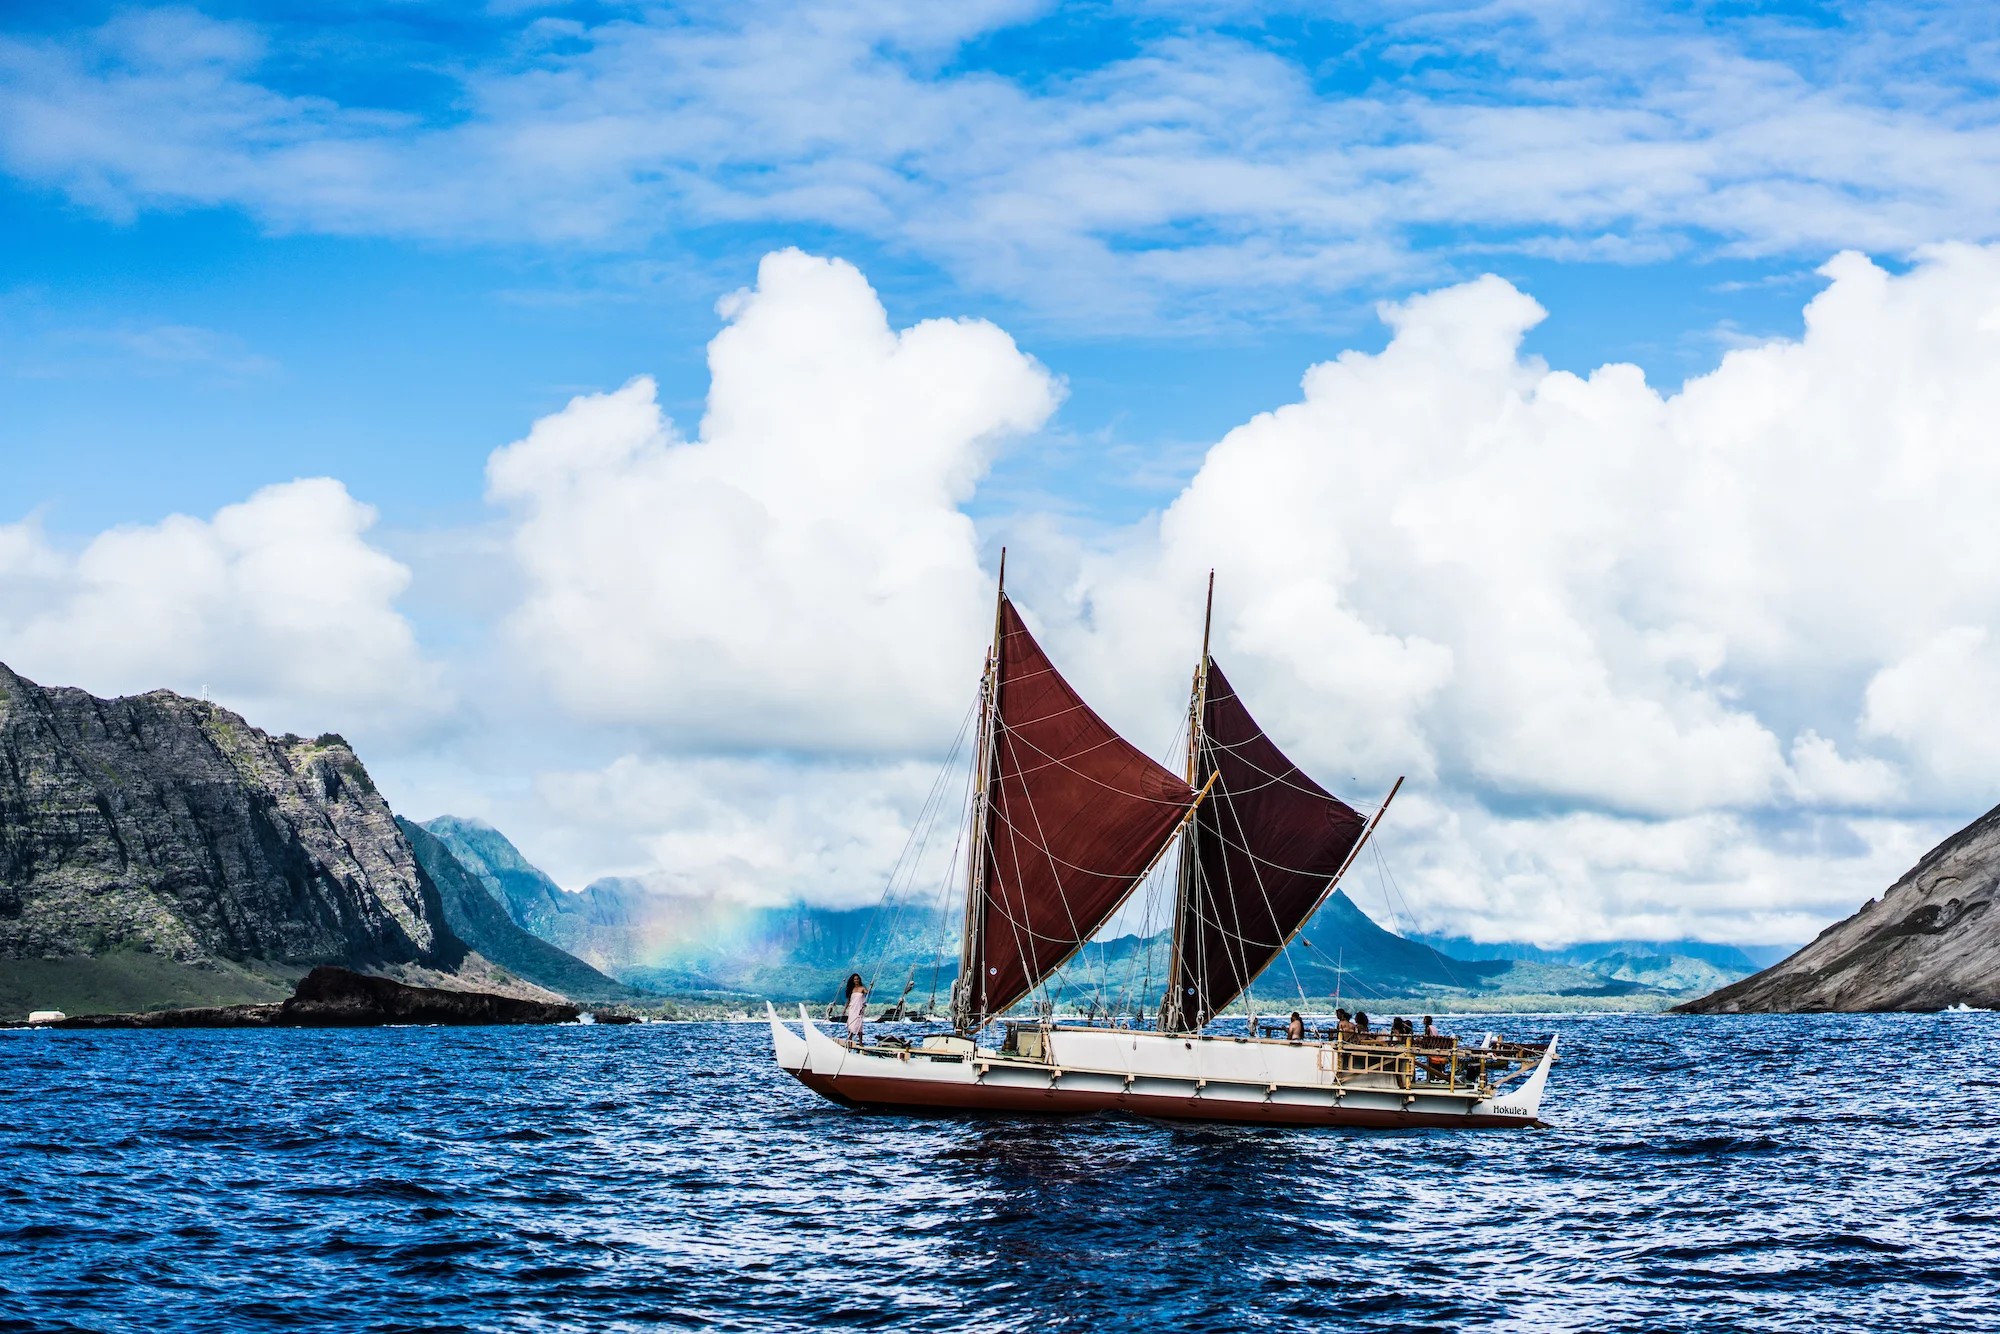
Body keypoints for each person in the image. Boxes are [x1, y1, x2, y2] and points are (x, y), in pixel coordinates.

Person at [843, 973, 869, 1045]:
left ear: (859, 980)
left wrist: (869, 988)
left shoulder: (862, 988)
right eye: (855, 979)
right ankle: (849, 1041)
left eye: (857, 979)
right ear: (853, 980)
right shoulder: (851, 989)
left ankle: (860, 1042)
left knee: (859, 1024)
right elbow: (849, 1000)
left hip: (859, 1008)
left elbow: (867, 993)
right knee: (850, 1025)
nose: (856, 980)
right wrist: (845, 1009)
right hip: (852, 1008)